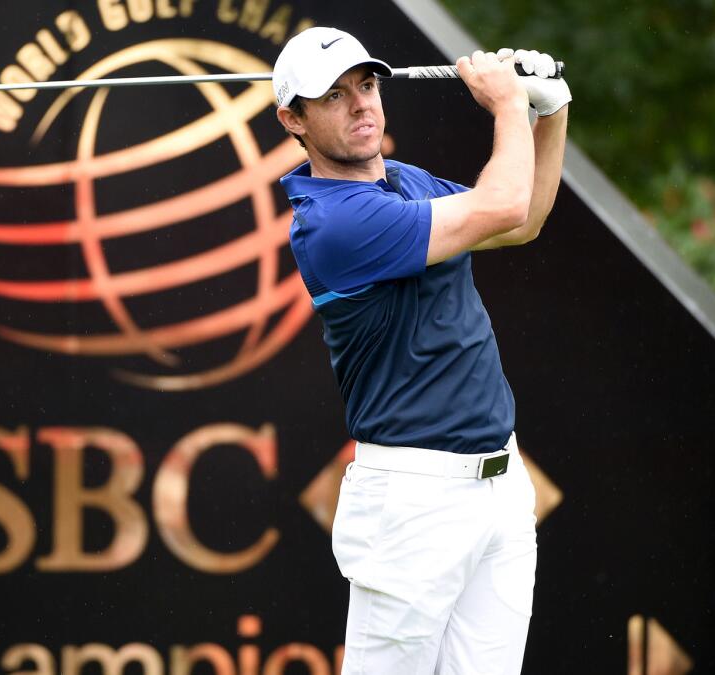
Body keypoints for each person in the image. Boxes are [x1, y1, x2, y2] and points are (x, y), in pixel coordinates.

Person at [272, 26, 570, 675]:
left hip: (499, 485)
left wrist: (552, 109)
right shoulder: (332, 224)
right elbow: (505, 199)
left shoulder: (405, 182)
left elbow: (523, 220)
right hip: (411, 503)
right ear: (292, 118)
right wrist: (510, 106)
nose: (361, 104)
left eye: (367, 84)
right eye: (334, 95)